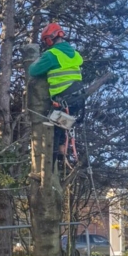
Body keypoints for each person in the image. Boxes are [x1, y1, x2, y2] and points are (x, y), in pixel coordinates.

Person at [28, 23, 84, 159]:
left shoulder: (52, 54)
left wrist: (39, 60)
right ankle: (62, 156)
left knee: (52, 130)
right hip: (78, 96)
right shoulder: (75, 54)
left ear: (49, 39)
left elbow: (33, 70)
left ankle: (53, 159)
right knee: (63, 129)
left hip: (64, 97)